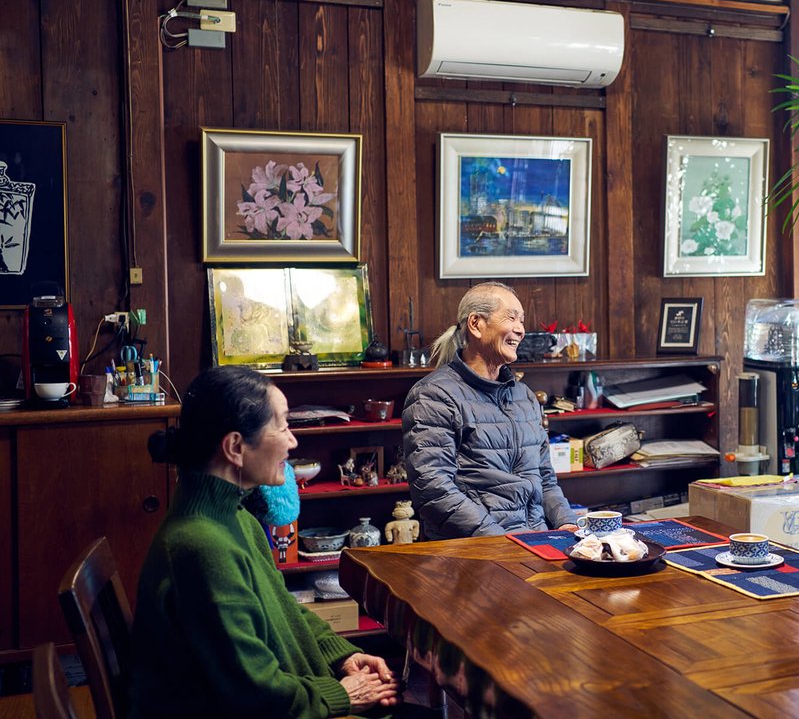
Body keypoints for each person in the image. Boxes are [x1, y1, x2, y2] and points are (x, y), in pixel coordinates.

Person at [130, 366, 399, 718]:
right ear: (236, 447)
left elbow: (282, 610)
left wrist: (340, 654)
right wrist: (341, 693)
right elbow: (253, 693)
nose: (293, 441)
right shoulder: (201, 545)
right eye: (283, 425)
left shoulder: (235, 518)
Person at [403, 282, 578, 540]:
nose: (520, 329)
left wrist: (567, 523)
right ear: (475, 324)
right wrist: (500, 541)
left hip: (534, 543)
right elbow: (433, 489)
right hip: (475, 551)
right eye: (511, 317)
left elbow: (545, 478)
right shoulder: (433, 396)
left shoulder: (524, 397)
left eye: (522, 320)